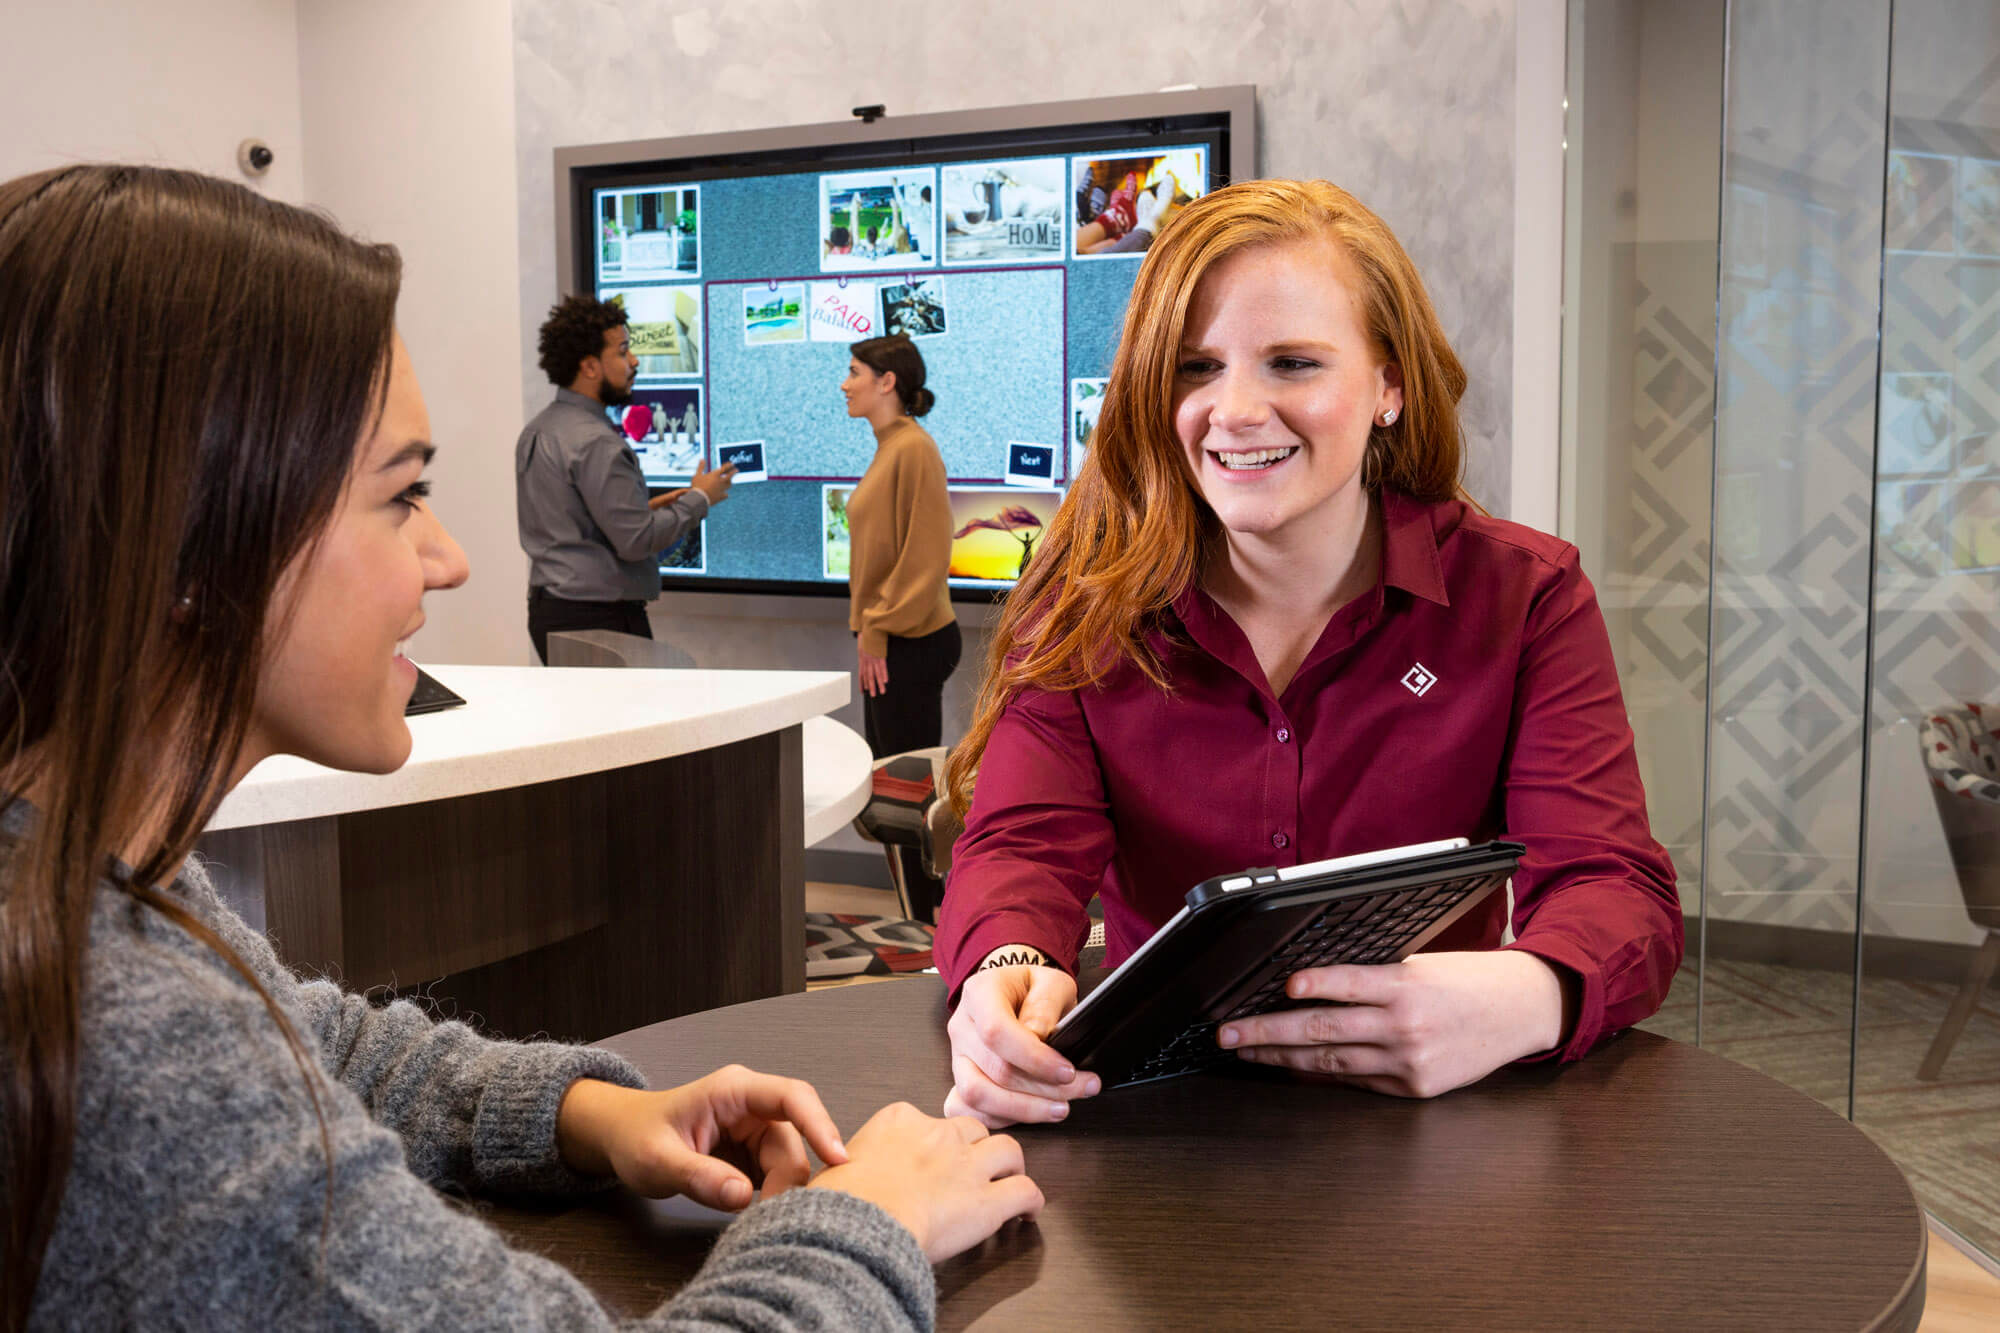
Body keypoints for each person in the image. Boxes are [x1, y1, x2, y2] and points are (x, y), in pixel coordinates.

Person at [0, 164, 1041, 1329]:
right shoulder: (123, 1048)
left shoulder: (85, 882)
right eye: (401, 497)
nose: (445, 561)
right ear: (194, 549)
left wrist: (586, 1113)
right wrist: (873, 1222)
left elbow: (306, 1036)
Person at [934, 178, 1683, 1128]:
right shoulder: (1083, 605)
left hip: (1440, 1123)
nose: (1235, 410)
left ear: (1390, 385)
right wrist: (1005, 970)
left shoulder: (1527, 600)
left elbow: (1609, 882)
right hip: (1152, 1123)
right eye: (1194, 368)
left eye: (1293, 362)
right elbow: (1020, 851)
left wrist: (1528, 993)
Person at [516, 294, 735, 663]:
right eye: (622, 351)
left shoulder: (539, 429)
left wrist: (645, 508)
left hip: (550, 610)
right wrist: (700, 498)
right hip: (598, 618)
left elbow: (573, 522)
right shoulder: (597, 442)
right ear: (589, 366)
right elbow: (637, 541)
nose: (634, 361)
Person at [840, 335, 961, 758]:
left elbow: (924, 557)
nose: (845, 385)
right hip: (894, 636)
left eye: (854, 373)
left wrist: (877, 626)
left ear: (887, 381)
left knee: (903, 791)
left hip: (910, 639)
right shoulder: (892, 445)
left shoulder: (913, 448)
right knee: (889, 779)